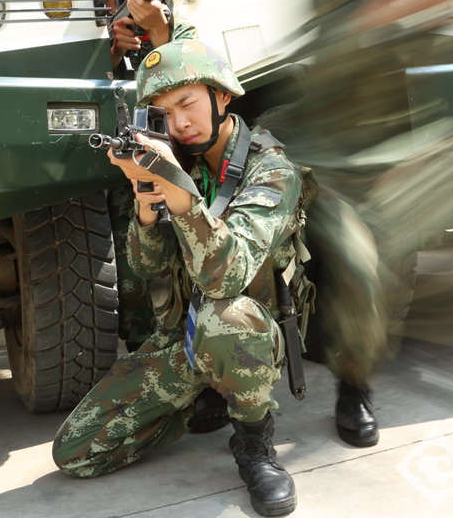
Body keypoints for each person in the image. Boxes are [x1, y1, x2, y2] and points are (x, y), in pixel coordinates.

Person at [53, 40, 306, 517]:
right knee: (77, 451)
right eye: (163, 114)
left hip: (252, 331)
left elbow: (226, 279)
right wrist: (149, 206)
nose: (179, 124)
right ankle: (197, 395)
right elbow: (145, 268)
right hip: (189, 336)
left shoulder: (272, 170)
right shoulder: (178, 162)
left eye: (187, 104)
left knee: (225, 316)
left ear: (223, 96)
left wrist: (180, 196)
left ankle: (254, 444)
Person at [100, 0, 199, 352]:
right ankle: (142, 338)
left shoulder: (183, 31)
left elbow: (191, 84)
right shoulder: (98, 35)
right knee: (132, 250)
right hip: (128, 168)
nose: (126, 4)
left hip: (185, 165)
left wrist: (159, 33)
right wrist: (110, 52)